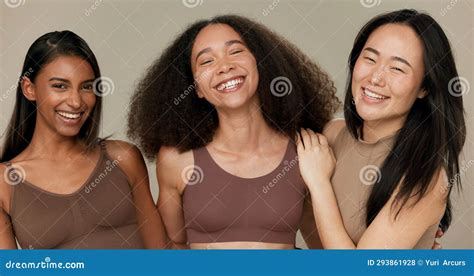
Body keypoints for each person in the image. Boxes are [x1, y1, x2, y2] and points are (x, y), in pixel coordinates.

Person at [127, 15, 340, 249]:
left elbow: (323, 248)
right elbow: (170, 245)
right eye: (206, 61)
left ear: (260, 63)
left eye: (236, 51)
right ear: (196, 88)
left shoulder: (304, 151)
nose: (224, 66)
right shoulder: (176, 160)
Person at [297, 9, 465, 249]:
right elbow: (321, 250)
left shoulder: (425, 177)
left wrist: (319, 184)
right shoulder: (330, 135)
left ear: (424, 88)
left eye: (397, 68)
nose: (375, 78)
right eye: (370, 59)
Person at [0, 31, 167, 249]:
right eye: (60, 86)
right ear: (29, 89)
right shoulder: (5, 183)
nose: (76, 101)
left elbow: (163, 255)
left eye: (87, 86)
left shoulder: (122, 158)